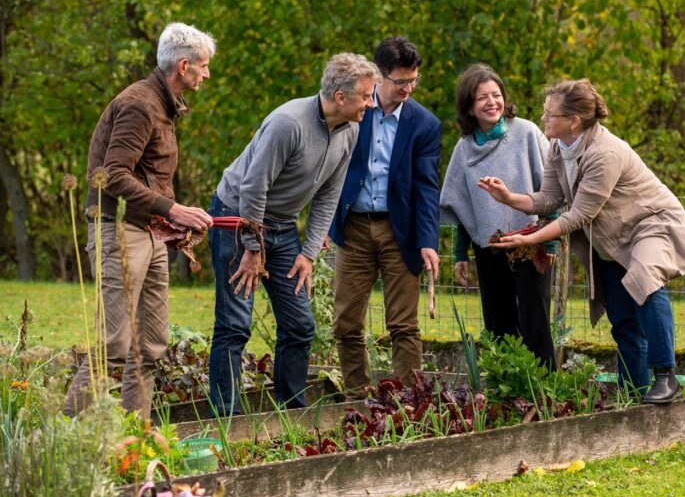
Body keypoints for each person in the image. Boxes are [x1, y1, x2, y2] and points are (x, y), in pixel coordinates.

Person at [479, 78, 685, 403]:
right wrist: (508, 197)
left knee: (645, 280)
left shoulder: (605, 153)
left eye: (550, 114)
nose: (544, 119)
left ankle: (666, 376)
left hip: (653, 224)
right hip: (613, 237)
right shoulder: (558, 148)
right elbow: (550, 198)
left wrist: (530, 238)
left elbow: (577, 215)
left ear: (574, 121)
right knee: (622, 316)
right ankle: (633, 393)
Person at [209, 53, 380, 414]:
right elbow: (254, 187)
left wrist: (309, 252)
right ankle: (226, 422)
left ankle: (290, 413)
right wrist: (252, 248)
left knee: (300, 325)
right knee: (235, 324)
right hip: (237, 218)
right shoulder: (289, 124)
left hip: (282, 228)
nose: (371, 102)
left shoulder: (350, 130)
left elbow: (329, 194)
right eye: (366, 96)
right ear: (340, 97)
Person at [64, 23, 216, 418]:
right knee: (114, 346)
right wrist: (173, 209)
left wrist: (173, 218)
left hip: (151, 233)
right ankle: (63, 441)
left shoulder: (164, 105)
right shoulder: (140, 104)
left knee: (149, 346)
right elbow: (113, 174)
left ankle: (137, 439)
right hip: (119, 230)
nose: (206, 74)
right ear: (183, 66)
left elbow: (148, 174)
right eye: (203, 66)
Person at [328, 37, 442, 399]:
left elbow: (427, 188)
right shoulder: (352, 110)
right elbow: (328, 169)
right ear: (379, 77)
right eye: (400, 81)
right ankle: (356, 400)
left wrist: (427, 241)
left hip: (400, 231)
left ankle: (409, 403)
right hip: (354, 227)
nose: (408, 88)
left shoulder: (424, 124)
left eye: (414, 80)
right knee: (346, 323)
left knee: (403, 324)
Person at [440, 64, 556, 369]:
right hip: (489, 248)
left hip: (532, 243)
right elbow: (463, 206)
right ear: (469, 106)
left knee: (535, 325)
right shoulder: (464, 149)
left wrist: (552, 243)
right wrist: (459, 254)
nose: (492, 103)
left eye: (496, 95)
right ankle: (510, 397)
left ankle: (546, 397)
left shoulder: (527, 133)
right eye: (482, 98)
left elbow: (553, 189)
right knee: (498, 325)